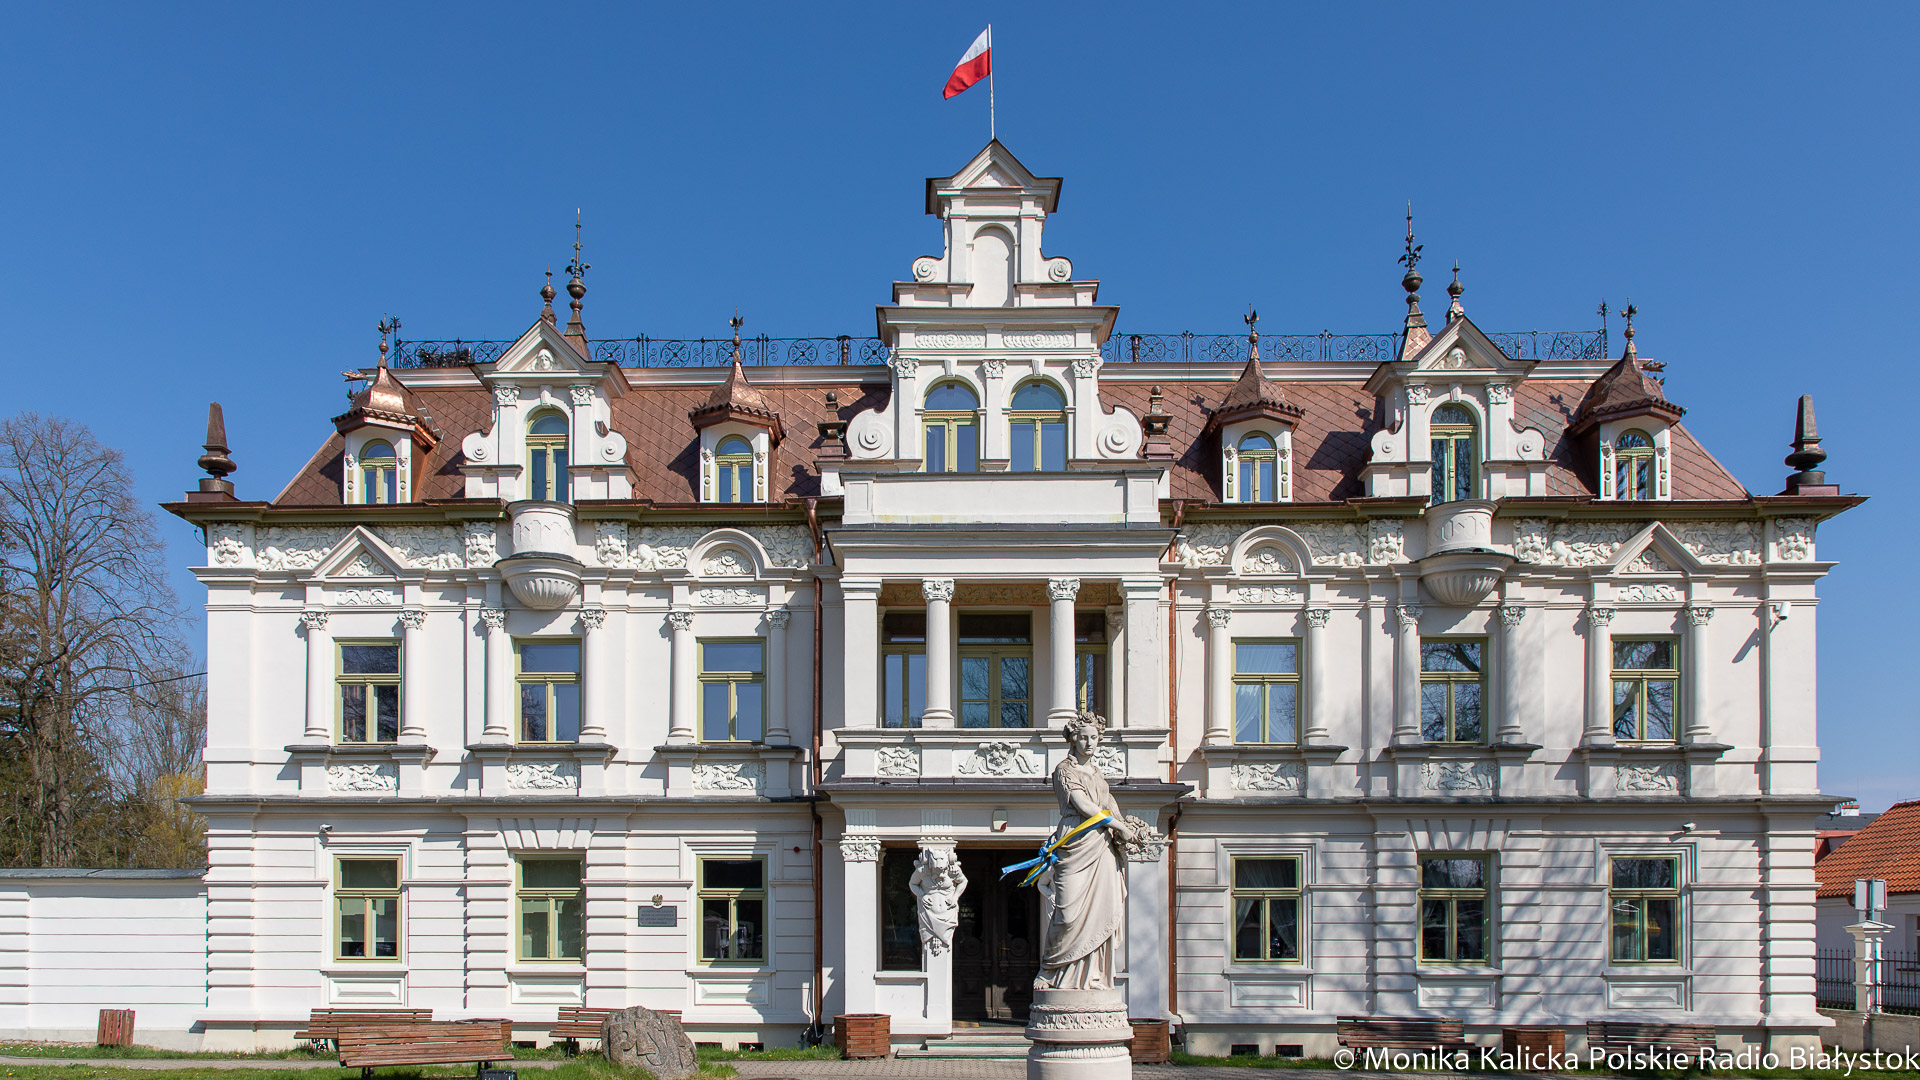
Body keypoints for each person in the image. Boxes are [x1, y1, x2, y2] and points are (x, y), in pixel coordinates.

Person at [1034, 710, 1141, 990]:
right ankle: (1051, 969)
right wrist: (1119, 825)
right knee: (1068, 913)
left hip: (1101, 844)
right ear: (1073, 739)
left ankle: (1092, 976)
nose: (1090, 743)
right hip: (1076, 838)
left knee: (1101, 908)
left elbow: (1108, 804)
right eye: (1084, 738)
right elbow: (1085, 807)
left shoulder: (1097, 773)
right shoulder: (1064, 770)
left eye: (1094, 738)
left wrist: (1128, 830)